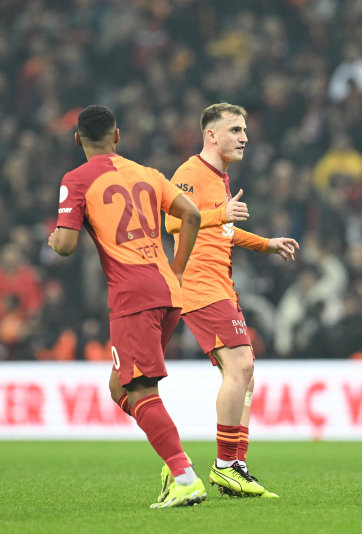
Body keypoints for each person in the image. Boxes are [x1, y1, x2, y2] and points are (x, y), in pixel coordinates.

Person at [48, 105, 204, 508]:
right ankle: (175, 460)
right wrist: (178, 270)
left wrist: (54, 240)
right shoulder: (148, 173)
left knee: (139, 389)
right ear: (117, 136)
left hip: (132, 296)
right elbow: (192, 214)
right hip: (168, 291)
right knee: (120, 386)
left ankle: (184, 476)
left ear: (78, 139)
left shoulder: (76, 179)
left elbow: (65, 246)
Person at [163, 102, 299, 498]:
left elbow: (221, 230)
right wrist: (220, 213)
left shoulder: (219, 177)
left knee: (245, 375)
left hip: (221, 284)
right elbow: (172, 220)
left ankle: (236, 464)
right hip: (200, 283)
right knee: (241, 365)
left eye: (244, 131)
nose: (244, 138)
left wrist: (264, 243)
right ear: (211, 135)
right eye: (235, 130)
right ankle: (225, 466)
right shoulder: (190, 173)